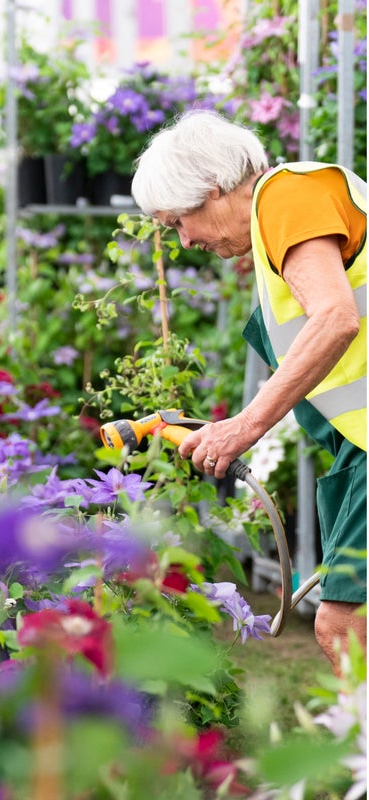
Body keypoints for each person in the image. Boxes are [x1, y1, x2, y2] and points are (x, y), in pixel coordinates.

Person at [131, 109, 366, 671]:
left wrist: (245, 426)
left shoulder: (287, 195)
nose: (184, 241)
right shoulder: (278, 224)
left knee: (345, 626)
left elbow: (336, 318)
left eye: (177, 222)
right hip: (358, 452)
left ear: (211, 188)